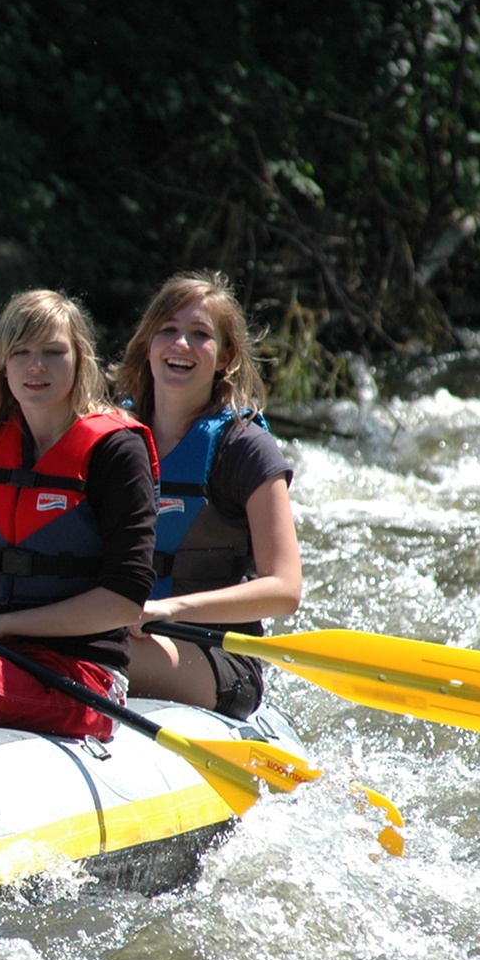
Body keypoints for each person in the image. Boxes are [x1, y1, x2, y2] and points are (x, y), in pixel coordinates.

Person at [0, 290, 159, 740]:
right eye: (21, 353)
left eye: (52, 352)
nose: (35, 366)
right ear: (3, 366)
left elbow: (125, 600)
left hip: (82, 676)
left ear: (80, 359)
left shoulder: (117, 450)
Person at [114, 272, 302, 718]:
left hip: (215, 654)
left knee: (98, 648)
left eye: (199, 335)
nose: (180, 344)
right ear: (148, 344)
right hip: (119, 631)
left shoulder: (244, 448)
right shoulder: (111, 436)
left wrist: (168, 608)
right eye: (168, 330)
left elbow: (284, 589)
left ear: (225, 357)